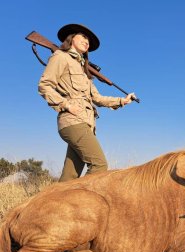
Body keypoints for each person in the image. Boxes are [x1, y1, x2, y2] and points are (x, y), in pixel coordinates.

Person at [38, 24, 135, 182]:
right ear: (71, 38)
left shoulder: (84, 70)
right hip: (73, 122)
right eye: (83, 36)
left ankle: (54, 205)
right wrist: (66, 104)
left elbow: (97, 98)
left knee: (69, 177)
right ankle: (78, 203)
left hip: (86, 123)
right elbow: (44, 86)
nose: (86, 41)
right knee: (100, 164)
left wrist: (122, 100)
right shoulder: (60, 57)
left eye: (88, 40)